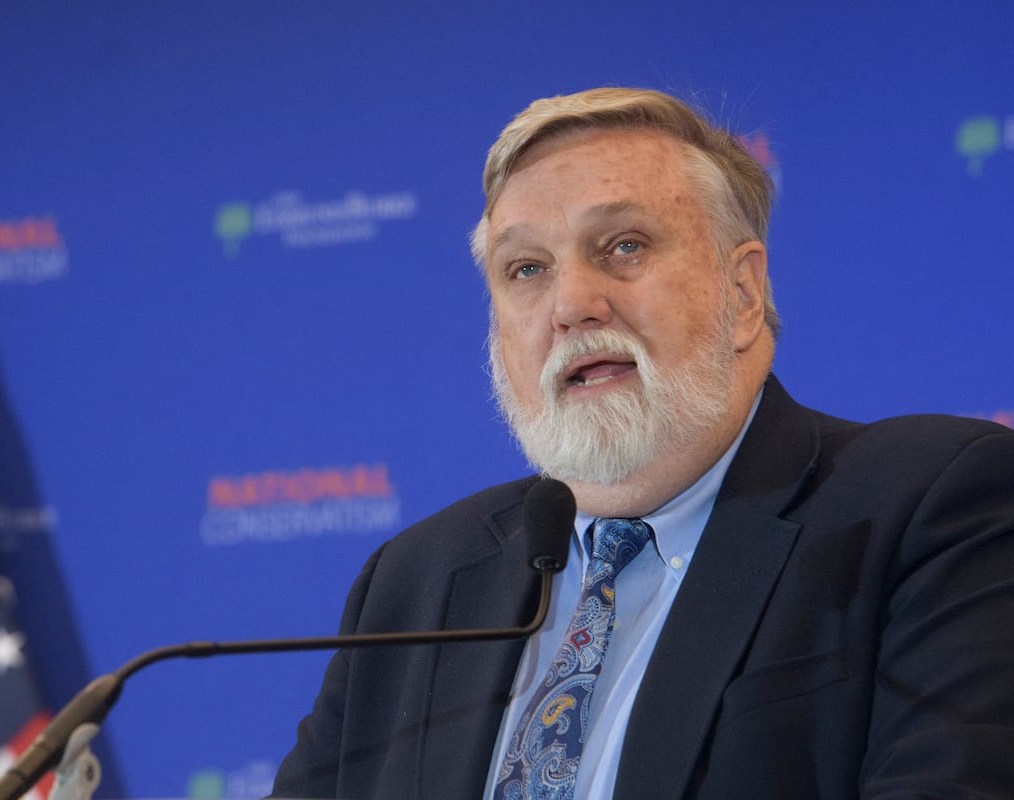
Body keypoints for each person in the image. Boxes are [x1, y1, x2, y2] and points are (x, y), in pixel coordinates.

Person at [269, 87, 1014, 799]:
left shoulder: (927, 505)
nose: (570, 305)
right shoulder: (416, 582)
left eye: (624, 246)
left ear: (743, 292)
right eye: (526, 269)